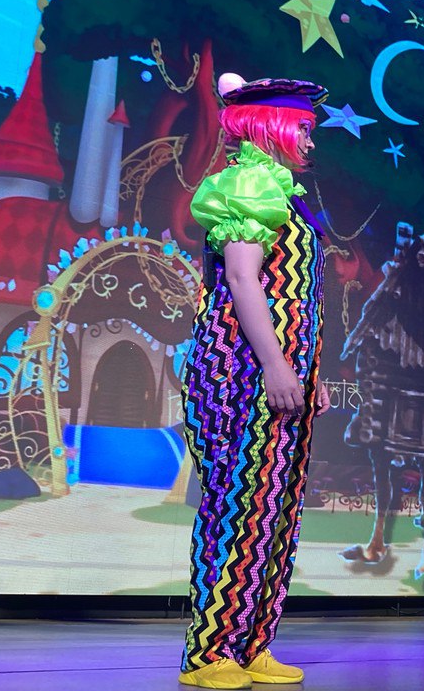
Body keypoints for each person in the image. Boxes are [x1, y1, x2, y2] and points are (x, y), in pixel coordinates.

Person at [179, 74, 331, 689]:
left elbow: (297, 297)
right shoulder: (247, 185)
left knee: (275, 509)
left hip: (279, 369)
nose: (311, 142)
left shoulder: (284, 195)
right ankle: (210, 652)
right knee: (238, 503)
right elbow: (243, 281)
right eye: (303, 129)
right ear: (271, 128)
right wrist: (273, 363)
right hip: (238, 369)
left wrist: (309, 371)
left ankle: (252, 642)